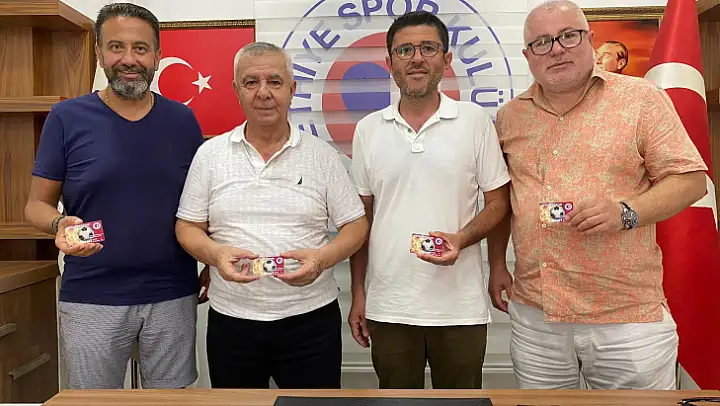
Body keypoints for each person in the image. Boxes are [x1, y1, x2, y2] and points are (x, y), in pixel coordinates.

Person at [489, 0, 707, 390]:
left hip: (626, 320)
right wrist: (495, 265)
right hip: (536, 316)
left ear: (590, 39)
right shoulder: (509, 117)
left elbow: (691, 181)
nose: (556, 49)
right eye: (542, 42)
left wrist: (626, 211)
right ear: (527, 55)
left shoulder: (641, 99)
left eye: (568, 36)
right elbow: (504, 200)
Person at [25, 2, 204, 389]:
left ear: (157, 55)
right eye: (116, 47)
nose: (129, 59)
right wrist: (59, 224)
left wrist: (212, 258)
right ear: (99, 53)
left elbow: (201, 205)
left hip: (172, 292)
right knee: (92, 402)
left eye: (140, 48)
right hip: (91, 294)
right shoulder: (67, 118)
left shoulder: (183, 120)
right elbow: (35, 205)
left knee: (172, 403)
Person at [174, 41, 369, 389]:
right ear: (236, 90)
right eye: (251, 82)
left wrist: (322, 259)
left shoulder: (321, 156)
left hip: (311, 320)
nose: (263, 93)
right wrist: (215, 255)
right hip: (232, 321)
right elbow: (187, 226)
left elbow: (356, 224)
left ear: (292, 89)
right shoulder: (210, 155)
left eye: (274, 82)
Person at [348, 11, 511, 389]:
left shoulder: (474, 121)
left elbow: (499, 203)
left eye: (428, 48)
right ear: (390, 62)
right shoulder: (368, 130)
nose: (416, 58)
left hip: (459, 308)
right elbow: (361, 220)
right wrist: (358, 293)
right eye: (405, 50)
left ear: (446, 59)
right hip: (390, 307)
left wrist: (464, 241)